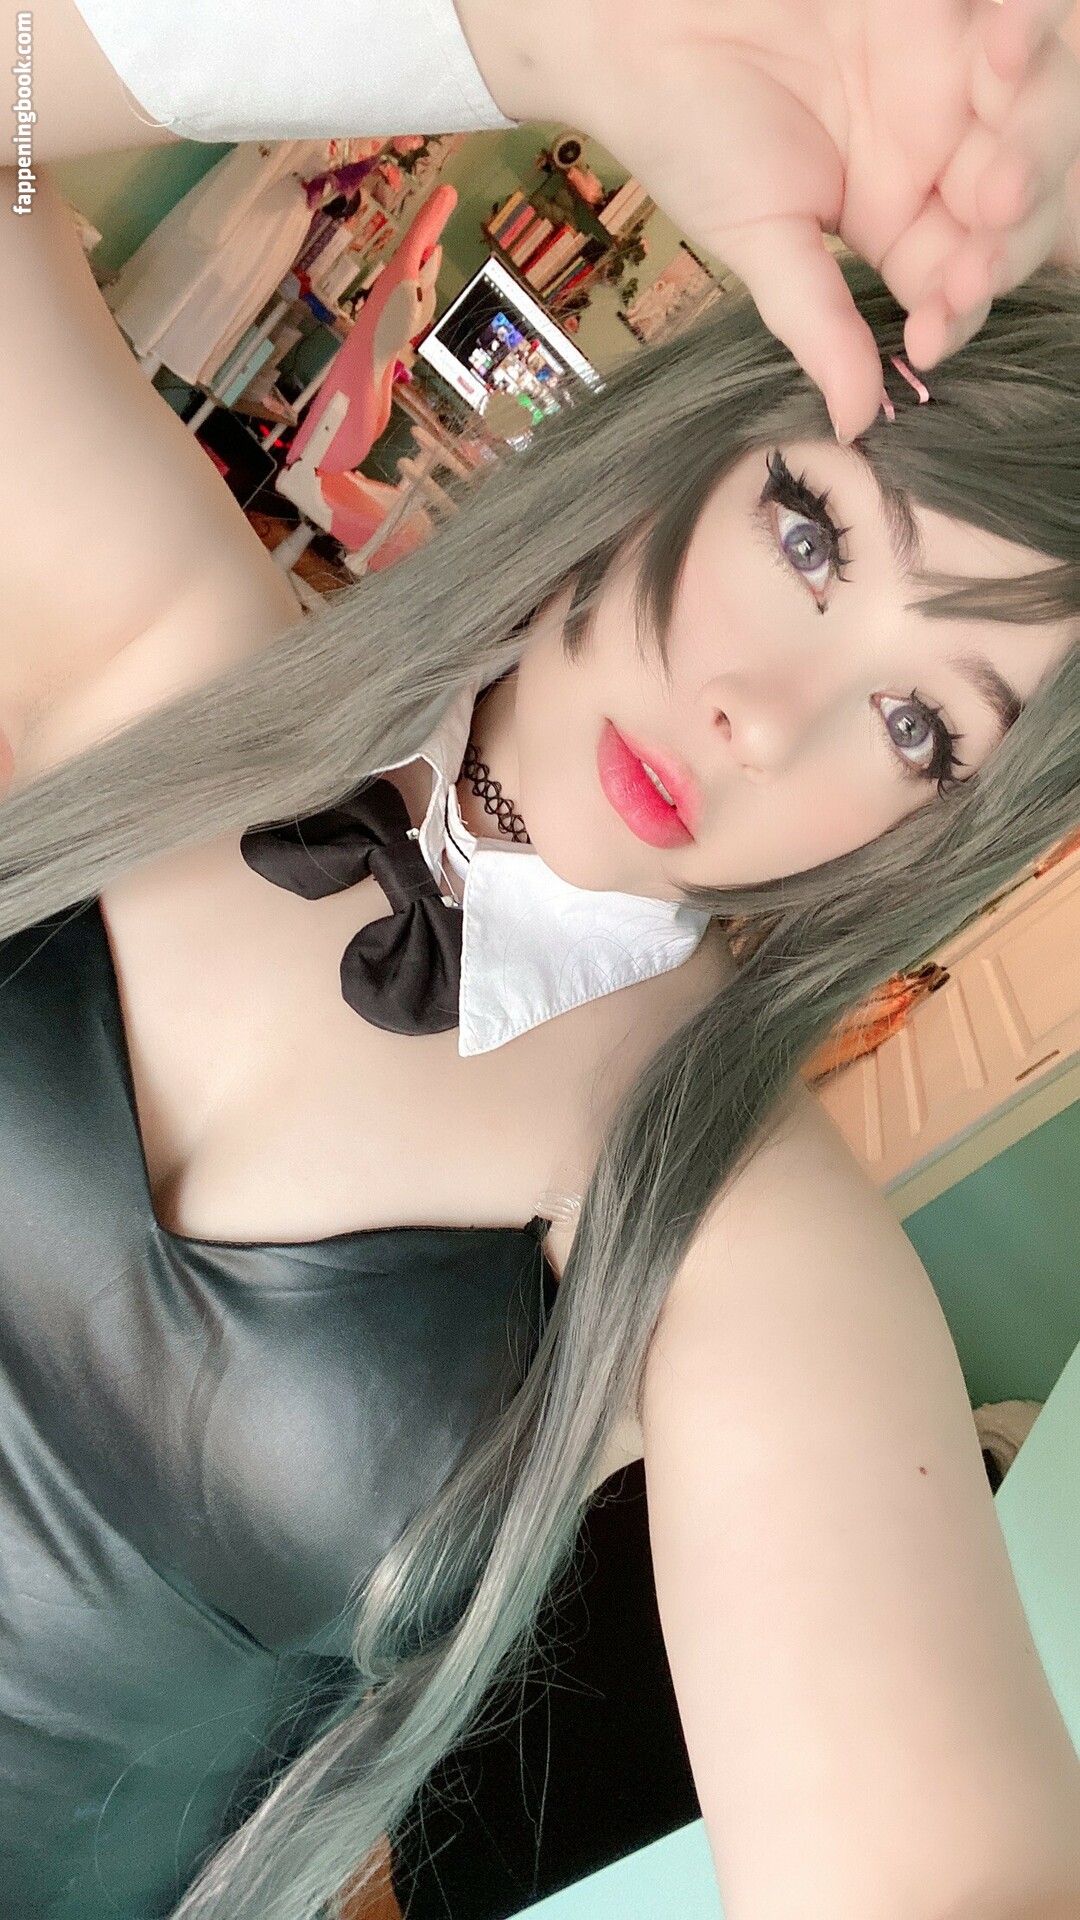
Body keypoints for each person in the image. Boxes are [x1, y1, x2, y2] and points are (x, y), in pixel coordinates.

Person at [1, 10, 1080, 1920]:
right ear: (701, 441)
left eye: (923, 729)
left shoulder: (718, 1232)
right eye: (813, 534)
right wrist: (545, 37)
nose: (766, 718)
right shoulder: (169, 666)